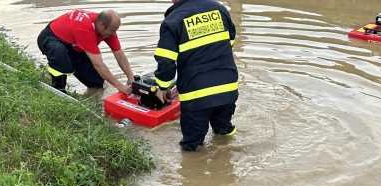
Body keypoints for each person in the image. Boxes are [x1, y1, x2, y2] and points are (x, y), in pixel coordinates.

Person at [153, 0, 238, 151]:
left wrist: (163, 87)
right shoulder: (219, 9)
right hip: (228, 89)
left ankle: (191, 172)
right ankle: (229, 163)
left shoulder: (172, 21)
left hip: (197, 96)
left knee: (192, 145)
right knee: (224, 131)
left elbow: (166, 62)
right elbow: (229, 41)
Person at [37, 9, 134, 94]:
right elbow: (99, 65)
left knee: (96, 83)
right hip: (51, 38)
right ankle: (58, 87)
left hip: (74, 45)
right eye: (112, 30)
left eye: (115, 30)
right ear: (101, 25)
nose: (114, 34)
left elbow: (119, 54)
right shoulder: (85, 29)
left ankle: (93, 96)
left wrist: (131, 78)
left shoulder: (107, 28)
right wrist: (120, 87)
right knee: (62, 58)